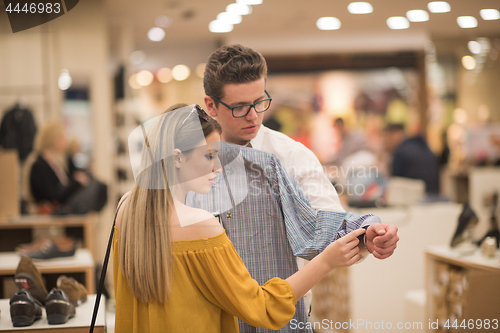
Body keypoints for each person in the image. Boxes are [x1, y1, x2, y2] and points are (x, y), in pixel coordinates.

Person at [195, 44, 399, 332]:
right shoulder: (191, 164)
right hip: (210, 318)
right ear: (211, 105)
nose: (253, 115)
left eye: (260, 102)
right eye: (240, 107)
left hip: (280, 317)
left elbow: (323, 223)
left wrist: (366, 236)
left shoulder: (290, 156)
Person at [113, 104, 367, 332]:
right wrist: (326, 261)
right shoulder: (200, 225)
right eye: (209, 156)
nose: (218, 167)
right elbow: (262, 307)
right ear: (178, 157)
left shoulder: (126, 210)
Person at [383, 123, 440, 195]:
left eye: (386, 137)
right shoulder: (422, 147)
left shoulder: (400, 153)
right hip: (433, 196)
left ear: (395, 135)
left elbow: (395, 184)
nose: (385, 143)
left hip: (416, 199)